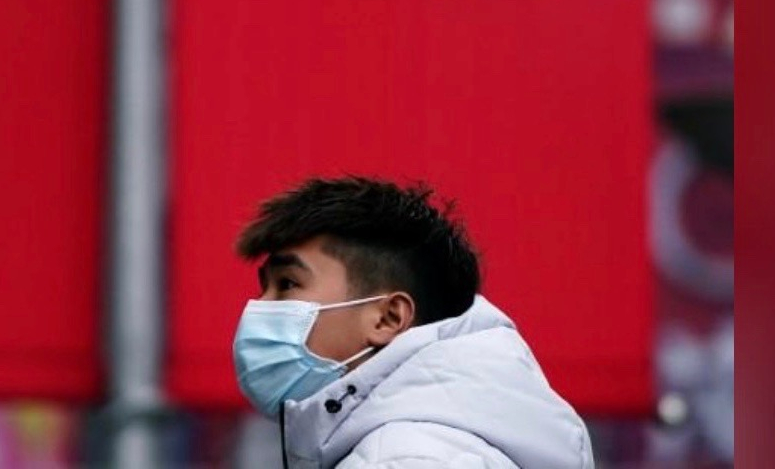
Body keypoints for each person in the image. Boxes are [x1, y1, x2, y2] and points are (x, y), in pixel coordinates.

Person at [232, 176, 594, 468]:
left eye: (287, 284)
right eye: (264, 288)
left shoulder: (405, 459)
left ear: (388, 317)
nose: (260, 307)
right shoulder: (437, 445)